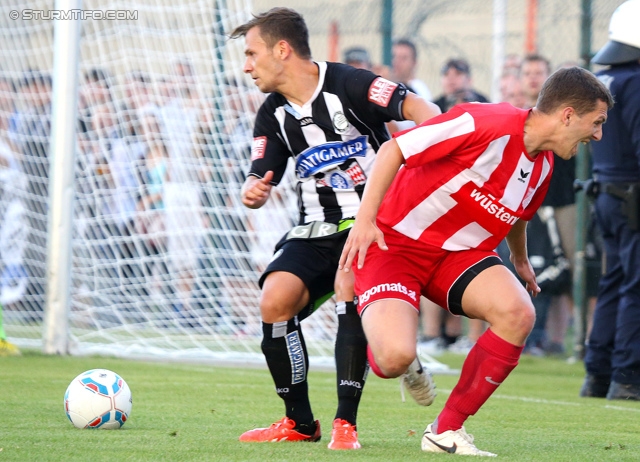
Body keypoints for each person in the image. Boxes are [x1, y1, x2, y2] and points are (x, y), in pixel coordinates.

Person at [339, 66, 612, 456]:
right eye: (596, 122)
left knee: (518, 313)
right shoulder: (485, 121)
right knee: (393, 358)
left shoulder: (543, 165)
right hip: (395, 246)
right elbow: (393, 149)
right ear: (567, 114)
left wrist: (519, 260)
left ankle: (445, 430)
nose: (598, 134)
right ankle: (407, 361)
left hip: (459, 256)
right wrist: (364, 221)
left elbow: (519, 216)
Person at [229, 7, 440, 450]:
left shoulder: (351, 83)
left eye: (252, 53)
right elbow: (260, 168)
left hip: (377, 226)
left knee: (349, 282)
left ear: (281, 50)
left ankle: (347, 423)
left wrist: (428, 144)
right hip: (316, 229)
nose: (246, 65)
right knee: (274, 300)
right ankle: (300, 423)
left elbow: (424, 109)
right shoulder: (273, 113)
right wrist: (255, 187)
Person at [580, 0, 640, 401]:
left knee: (615, 282)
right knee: (636, 286)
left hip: (606, 193)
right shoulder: (637, 81)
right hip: (632, 194)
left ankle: (598, 374)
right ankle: (628, 376)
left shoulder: (607, 81)